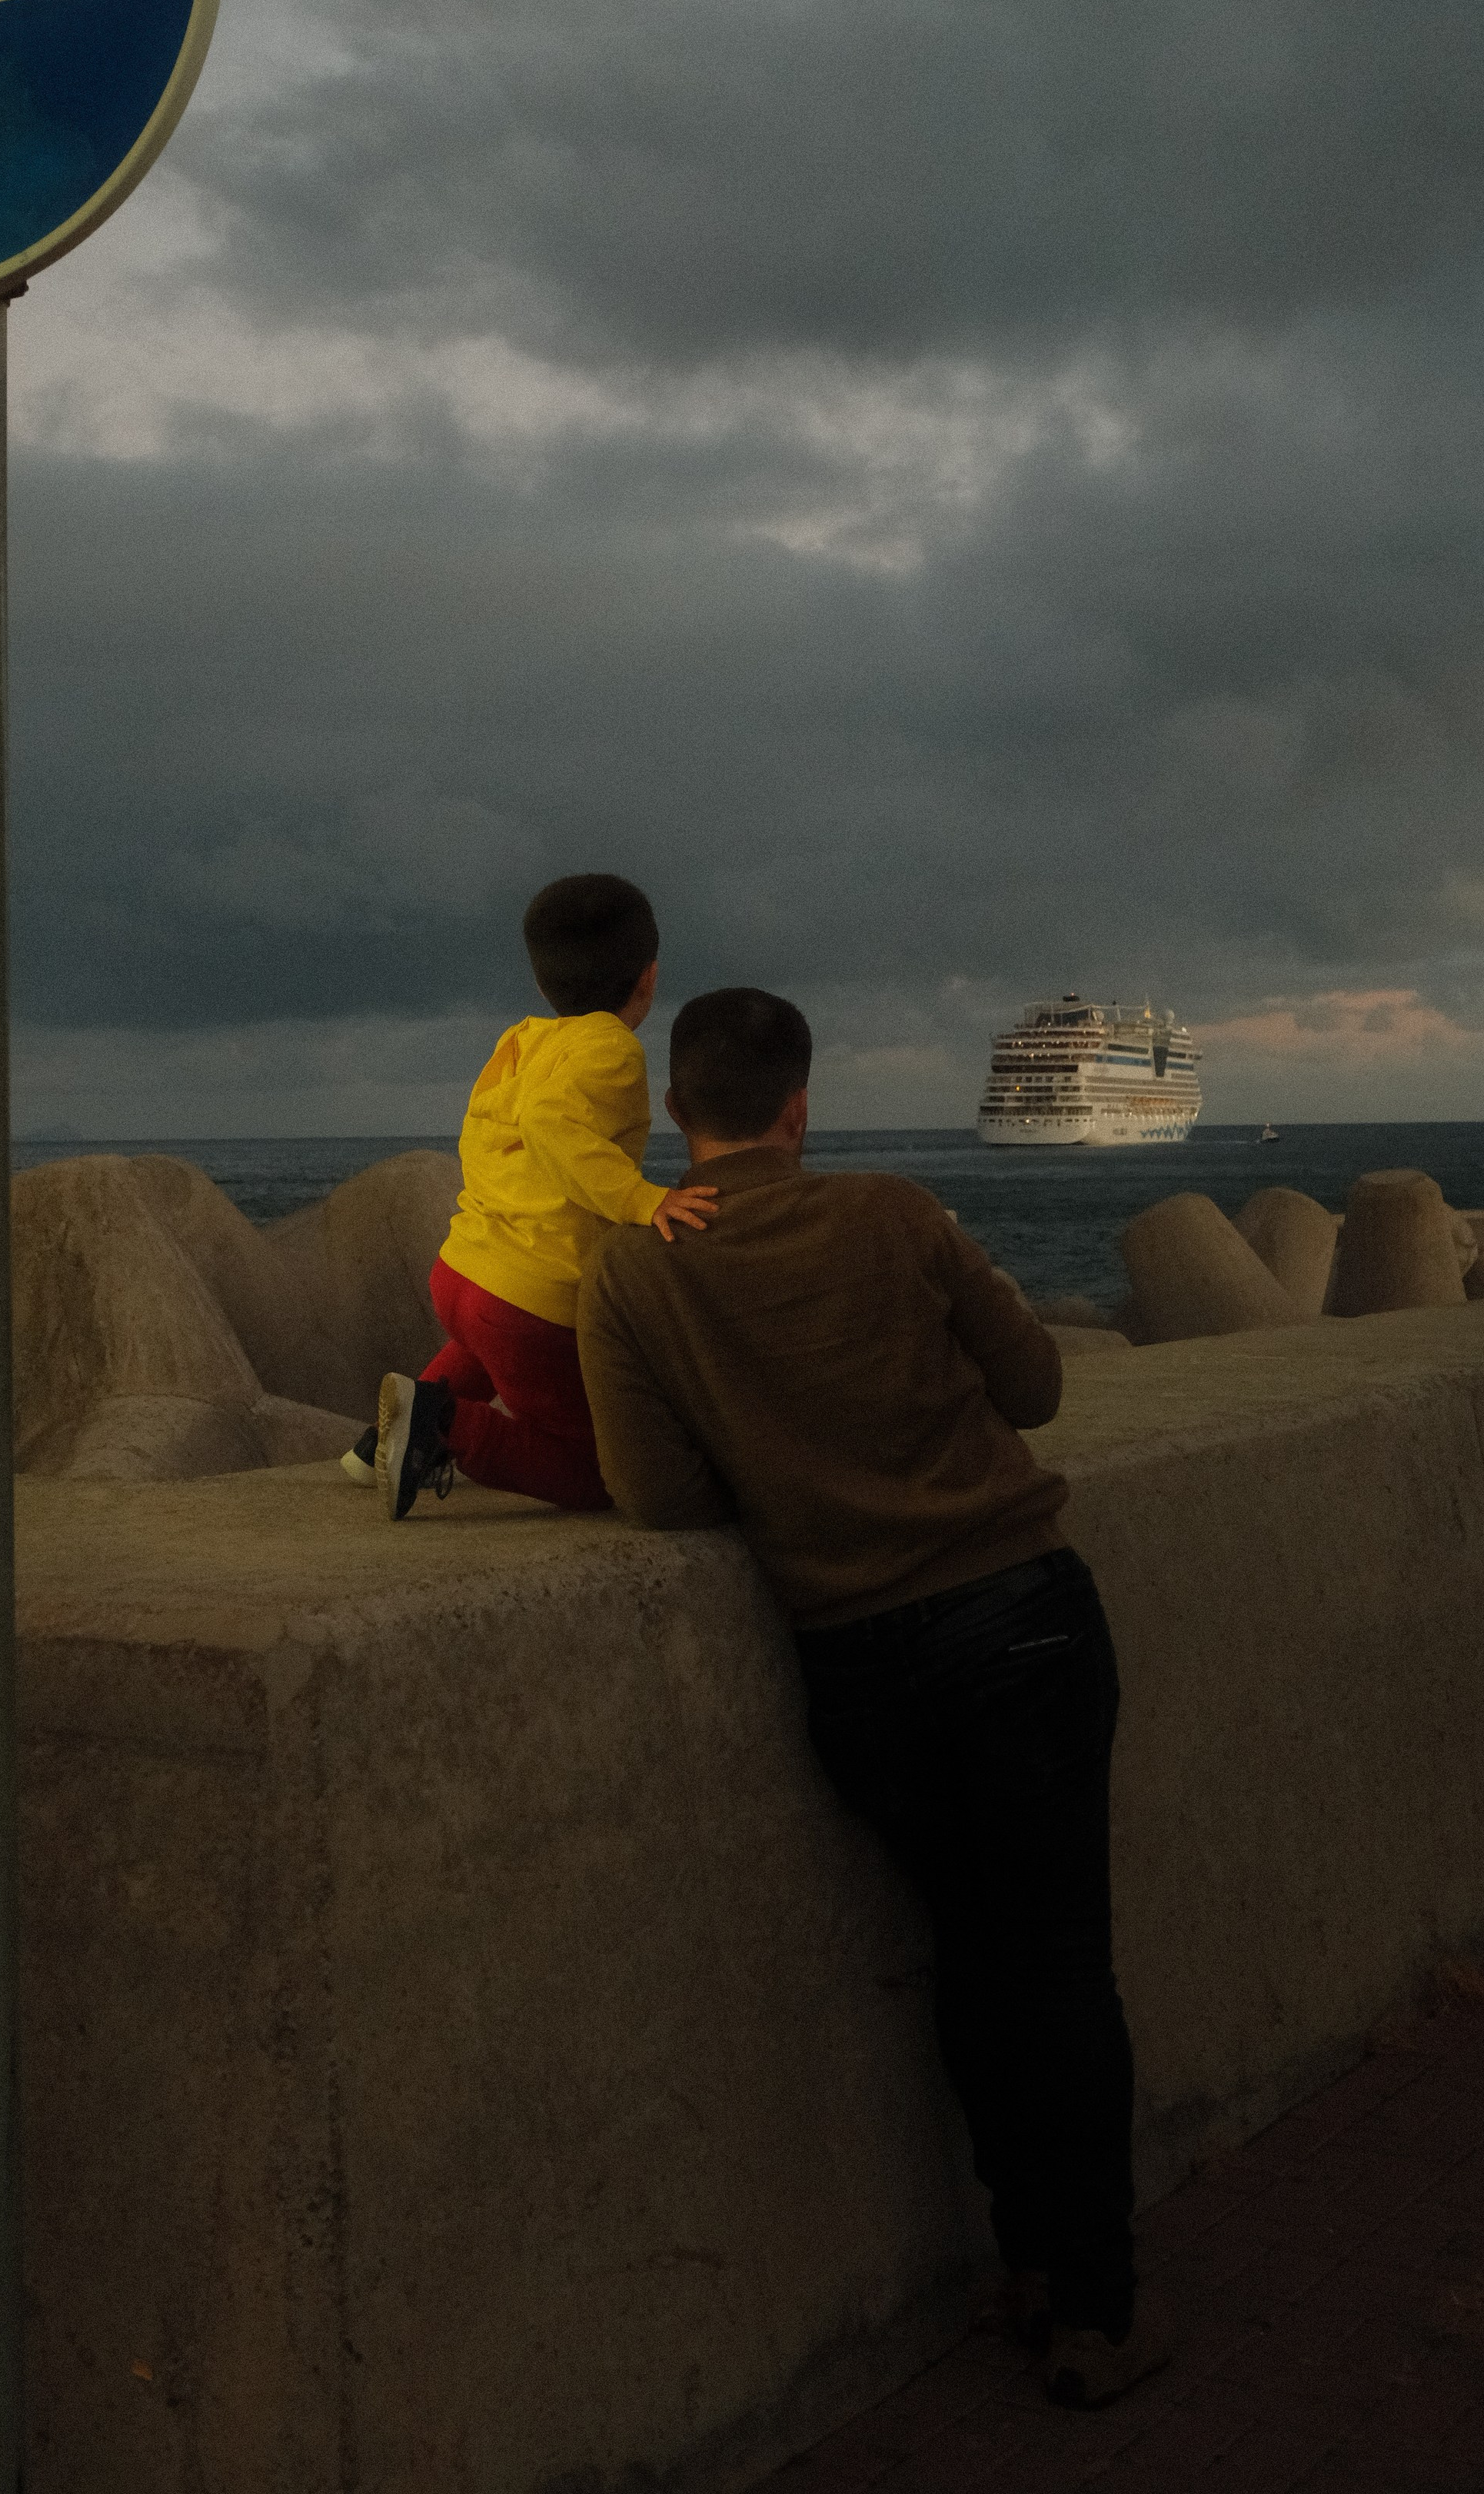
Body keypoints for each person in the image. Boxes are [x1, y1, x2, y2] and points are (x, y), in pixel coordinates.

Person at [575, 985, 1168, 2412]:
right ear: (799, 1107)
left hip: (858, 1662)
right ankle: (1096, 2308)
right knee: (1059, 1967)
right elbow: (1032, 1388)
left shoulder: (632, 1274)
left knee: (972, 1958)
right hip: (1020, 1620)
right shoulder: (897, 1216)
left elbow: (655, 1496)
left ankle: (1028, 2262)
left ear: (676, 1116)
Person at [356, 873, 717, 1520]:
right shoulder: (612, 1047)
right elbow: (552, 1123)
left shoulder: (521, 1041)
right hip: (526, 1301)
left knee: (478, 1352)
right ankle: (440, 1429)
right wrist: (642, 1200)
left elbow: (491, 1131)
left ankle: (378, 1441)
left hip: (463, 1269)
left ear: (543, 979)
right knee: (598, 1471)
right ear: (649, 978)